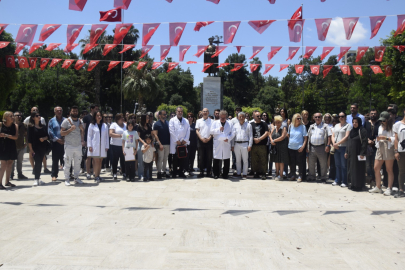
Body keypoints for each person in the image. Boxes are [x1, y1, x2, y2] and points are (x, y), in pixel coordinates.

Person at [369, 111, 395, 195]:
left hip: (389, 147)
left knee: (388, 169)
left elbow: (395, 139)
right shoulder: (380, 126)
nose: (382, 122)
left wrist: (385, 138)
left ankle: (389, 188)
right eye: (381, 120)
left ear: (388, 119)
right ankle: (378, 187)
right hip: (380, 146)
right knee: (376, 167)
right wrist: (378, 139)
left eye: (384, 120)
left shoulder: (393, 127)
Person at [60, 106, 85, 186]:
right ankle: (67, 179)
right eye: (73, 111)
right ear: (70, 112)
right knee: (67, 162)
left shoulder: (80, 121)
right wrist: (70, 129)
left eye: (76, 111)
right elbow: (62, 133)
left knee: (78, 162)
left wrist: (82, 129)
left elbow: (83, 133)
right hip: (69, 145)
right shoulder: (66, 121)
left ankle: (76, 178)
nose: (75, 112)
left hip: (78, 145)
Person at [307, 113, 332, 183]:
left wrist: (328, 145)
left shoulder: (325, 126)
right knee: (311, 163)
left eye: (319, 117)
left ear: (321, 118)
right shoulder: (311, 126)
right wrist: (307, 147)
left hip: (322, 147)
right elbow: (308, 136)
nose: (317, 118)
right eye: (316, 117)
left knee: (323, 163)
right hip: (312, 147)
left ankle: (323, 177)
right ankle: (312, 176)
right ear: (314, 118)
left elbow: (329, 136)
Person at [24, 107, 49, 174]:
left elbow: (44, 129)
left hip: (41, 141)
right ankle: (34, 169)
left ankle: (45, 168)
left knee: (43, 155)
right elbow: (24, 127)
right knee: (31, 154)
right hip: (31, 139)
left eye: (36, 110)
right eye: (33, 110)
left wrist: (44, 138)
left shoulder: (42, 119)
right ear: (31, 111)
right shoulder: (27, 119)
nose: (35, 111)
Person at [345, 117, 368, 191]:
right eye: (353, 122)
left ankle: (359, 185)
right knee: (351, 169)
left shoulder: (362, 130)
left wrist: (362, 153)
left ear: (359, 122)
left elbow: (364, 142)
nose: (354, 124)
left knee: (359, 169)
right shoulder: (352, 131)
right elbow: (348, 142)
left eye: (356, 122)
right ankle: (352, 184)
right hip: (351, 153)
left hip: (358, 153)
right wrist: (346, 152)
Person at [210, 110, 234, 179]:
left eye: (224, 118)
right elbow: (211, 131)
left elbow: (233, 133)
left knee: (226, 160)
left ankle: (225, 174)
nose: (223, 119)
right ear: (219, 116)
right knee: (216, 159)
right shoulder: (215, 123)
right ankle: (216, 174)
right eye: (221, 118)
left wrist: (228, 138)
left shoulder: (230, 123)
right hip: (218, 143)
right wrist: (218, 129)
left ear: (226, 117)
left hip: (226, 143)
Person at [87, 111, 109, 183]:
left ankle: (98, 175)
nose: (99, 117)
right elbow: (89, 136)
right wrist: (89, 146)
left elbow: (106, 137)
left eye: (100, 115)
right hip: (95, 146)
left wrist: (107, 146)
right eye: (97, 115)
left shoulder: (105, 125)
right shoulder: (92, 125)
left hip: (102, 146)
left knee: (100, 161)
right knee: (96, 161)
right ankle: (96, 176)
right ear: (95, 117)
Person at [28, 112, 49, 186]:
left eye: (39, 115)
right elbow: (29, 140)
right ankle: (36, 179)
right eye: (37, 116)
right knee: (37, 162)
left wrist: (43, 138)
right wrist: (31, 150)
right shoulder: (31, 127)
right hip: (35, 148)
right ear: (33, 118)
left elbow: (47, 136)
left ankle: (38, 178)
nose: (39, 116)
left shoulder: (43, 126)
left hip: (43, 147)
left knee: (40, 162)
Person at [331, 112, 352, 187]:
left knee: (344, 165)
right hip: (336, 147)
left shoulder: (348, 125)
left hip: (344, 147)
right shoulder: (336, 125)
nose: (341, 117)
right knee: (337, 165)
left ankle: (344, 181)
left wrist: (338, 143)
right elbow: (333, 136)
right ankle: (337, 180)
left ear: (345, 117)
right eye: (339, 116)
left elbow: (346, 137)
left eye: (342, 116)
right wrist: (334, 143)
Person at [169, 107, 190, 178]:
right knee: (175, 159)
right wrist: (176, 141)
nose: (180, 113)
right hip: (175, 142)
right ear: (176, 112)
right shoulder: (172, 120)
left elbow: (188, 131)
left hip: (183, 142)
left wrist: (185, 140)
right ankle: (174, 173)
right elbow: (171, 131)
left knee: (183, 158)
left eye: (181, 111)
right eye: (179, 111)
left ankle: (181, 172)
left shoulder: (186, 121)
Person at [0, 112, 19, 189]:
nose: (13, 117)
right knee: (3, 164)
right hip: (2, 146)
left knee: (10, 163)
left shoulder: (15, 126)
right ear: (6, 117)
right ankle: (0, 183)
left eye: (13, 116)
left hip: (11, 146)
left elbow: (16, 137)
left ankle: (7, 181)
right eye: (11, 116)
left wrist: (6, 135)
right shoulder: (1, 124)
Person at [231, 112, 252, 179]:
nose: (241, 118)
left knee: (245, 160)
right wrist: (232, 145)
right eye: (240, 116)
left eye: (242, 116)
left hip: (245, 144)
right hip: (237, 144)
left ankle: (245, 173)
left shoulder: (248, 125)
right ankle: (238, 173)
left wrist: (250, 145)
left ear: (245, 117)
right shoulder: (235, 125)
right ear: (238, 117)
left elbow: (250, 136)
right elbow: (233, 136)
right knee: (237, 160)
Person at [287, 113, 308, 182]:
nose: (299, 120)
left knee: (300, 162)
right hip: (291, 147)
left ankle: (300, 175)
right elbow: (288, 135)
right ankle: (293, 175)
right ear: (294, 119)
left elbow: (305, 138)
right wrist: (289, 143)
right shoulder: (290, 126)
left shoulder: (303, 127)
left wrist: (303, 146)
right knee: (292, 162)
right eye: (298, 118)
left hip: (299, 147)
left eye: (300, 118)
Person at [48, 106, 65, 182]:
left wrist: (64, 139)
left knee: (66, 159)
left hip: (65, 142)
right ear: (54, 112)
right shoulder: (51, 121)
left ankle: (69, 174)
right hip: (55, 143)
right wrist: (57, 139)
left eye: (60, 110)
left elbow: (69, 130)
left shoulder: (66, 120)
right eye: (57, 110)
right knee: (55, 160)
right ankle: (54, 175)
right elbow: (50, 132)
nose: (59, 112)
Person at [250, 111, 269, 180]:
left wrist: (259, 139)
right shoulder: (251, 124)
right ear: (254, 117)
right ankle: (256, 173)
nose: (259, 117)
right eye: (257, 116)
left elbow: (267, 133)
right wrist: (254, 139)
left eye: (260, 116)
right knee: (254, 159)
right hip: (254, 145)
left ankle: (264, 173)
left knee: (263, 159)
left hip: (262, 145)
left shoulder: (264, 124)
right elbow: (249, 134)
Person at [152, 110, 171, 179]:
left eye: (165, 114)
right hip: (161, 144)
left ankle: (164, 172)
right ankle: (159, 172)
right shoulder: (156, 124)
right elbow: (155, 135)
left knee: (165, 159)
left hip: (167, 143)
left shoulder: (168, 123)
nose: (165, 116)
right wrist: (160, 144)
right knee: (160, 158)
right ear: (159, 116)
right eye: (164, 114)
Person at [196, 108, 213, 178]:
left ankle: (209, 172)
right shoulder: (198, 121)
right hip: (201, 141)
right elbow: (197, 130)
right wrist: (201, 138)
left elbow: (213, 131)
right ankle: (201, 172)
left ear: (208, 113)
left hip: (209, 141)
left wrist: (209, 138)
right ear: (202, 113)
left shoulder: (212, 121)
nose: (205, 112)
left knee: (209, 157)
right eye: (204, 111)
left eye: (206, 111)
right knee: (201, 157)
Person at [83, 104, 99, 179]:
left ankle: (94, 171)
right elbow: (84, 129)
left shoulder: (96, 118)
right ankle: (88, 172)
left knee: (94, 157)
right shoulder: (86, 117)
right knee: (88, 156)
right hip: (88, 139)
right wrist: (84, 140)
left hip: (95, 140)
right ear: (91, 109)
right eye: (96, 108)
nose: (97, 110)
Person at [270, 116, 288, 181]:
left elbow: (282, 137)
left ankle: (281, 175)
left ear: (281, 122)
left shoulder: (284, 128)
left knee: (281, 161)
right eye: (276, 122)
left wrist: (274, 141)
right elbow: (270, 135)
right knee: (276, 161)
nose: (277, 124)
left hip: (282, 147)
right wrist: (271, 140)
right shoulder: (273, 129)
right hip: (275, 147)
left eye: (279, 122)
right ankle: (277, 174)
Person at [364, 109, 379, 185]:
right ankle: (370, 177)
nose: (373, 115)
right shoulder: (366, 123)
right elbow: (363, 133)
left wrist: (374, 140)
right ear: (369, 115)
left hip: (376, 146)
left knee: (375, 163)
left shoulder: (379, 124)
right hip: (367, 146)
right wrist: (368, 140)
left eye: (375, 114)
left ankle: (375, 178)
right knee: (367, 164)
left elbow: (380, 134)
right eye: (372, 113)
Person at [109, 113, 127, 180]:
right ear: (117, 118)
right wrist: (120, 135)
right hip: (115, 145)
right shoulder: (113, 125)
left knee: (123, 160)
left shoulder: (125, 125)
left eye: (123, 117)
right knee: (115, 160)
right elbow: (110, 134)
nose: (122, 118)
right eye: (121, 117)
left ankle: (124, 173)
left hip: (123, 145)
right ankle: (114, 173)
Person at [11, 111, 28, 180]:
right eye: (18, 115)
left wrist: (26, 143)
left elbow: (26, 134)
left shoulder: (23, 125)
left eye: (20, 115)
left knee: (20, 161)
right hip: (12, 146)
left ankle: (20, 174)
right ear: (14, 116)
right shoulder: (11, 125)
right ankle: (11, 174)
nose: (19, 117)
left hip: (21, 146)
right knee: (12, 161)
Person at [393, 108, 405, 198]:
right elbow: (396, 139)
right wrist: (396, 151)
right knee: (401, 170)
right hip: (401, 150)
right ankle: (401, 189)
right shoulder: (398, 124)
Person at [137, 114, 152, 179]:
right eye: (147, 118)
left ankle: (147, 174)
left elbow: (151, 135)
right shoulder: (139, 126)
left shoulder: (149, 126)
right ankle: (141, 174)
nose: (148, 119)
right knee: (141, 160)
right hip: (142, 143)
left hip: (149, 143)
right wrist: (144, 143)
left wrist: (152, 142)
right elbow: (138, 137)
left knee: (148, 159)